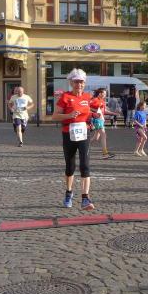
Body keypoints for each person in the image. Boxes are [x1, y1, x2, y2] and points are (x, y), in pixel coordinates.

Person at [51, 69, 95, 210]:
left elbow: (88, 112)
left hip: (84, 134)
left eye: (81, 82)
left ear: (84, 83)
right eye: (76, 82)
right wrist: (69, 115)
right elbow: (55, 116)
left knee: (85, 165)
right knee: (70, 166)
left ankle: (85, 198)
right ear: (71, 83)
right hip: (68, 134)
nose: (79, 85)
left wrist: (94, 116)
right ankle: (69, 193)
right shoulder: (65, 97)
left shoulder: (87, 97)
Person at [89, 88, 116, 159]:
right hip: (97, 119)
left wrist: (113, 113)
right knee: (103, 135)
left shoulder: (102, 101)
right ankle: (105, 153)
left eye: (105, 94)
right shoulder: (94, 99)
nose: (105, 95)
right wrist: (96, 111)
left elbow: (104, 111)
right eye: (104, 93)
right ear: (99, 93)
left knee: (96, 138)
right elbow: (87, 107)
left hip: (101, 120)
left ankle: (82, 145)